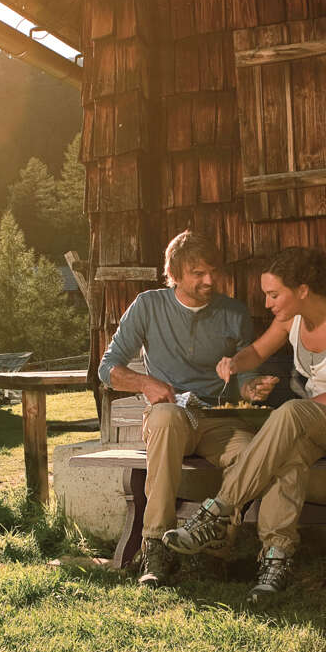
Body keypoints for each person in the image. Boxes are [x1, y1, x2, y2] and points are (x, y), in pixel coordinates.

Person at [161, 247, 326, 603]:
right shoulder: (291, 319)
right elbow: (257, 351)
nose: (267, 303)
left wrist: (286, 419)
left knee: (290, 415)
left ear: (301, 289)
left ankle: (217, 511)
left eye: (273, 294)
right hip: (320, 428)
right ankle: (276, 560)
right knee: (288, 457)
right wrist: (234, 363)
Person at [98, 231, 277, 588]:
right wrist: (146, 384)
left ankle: (214, 551)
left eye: (212, 271)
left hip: (217, 420)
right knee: (165, 419)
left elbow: (245, 375)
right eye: (198, 272)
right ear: (175, 273)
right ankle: (155, 546)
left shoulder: (233, 313)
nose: (209, 280)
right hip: (171, 415)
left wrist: (252, 387)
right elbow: (108, 369)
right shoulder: (148, 306)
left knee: (253, 455)